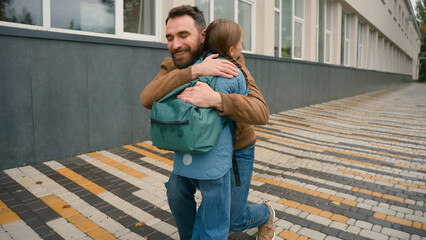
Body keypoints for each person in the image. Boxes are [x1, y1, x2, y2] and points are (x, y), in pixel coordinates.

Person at [140, 5, 274, 240]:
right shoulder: (174, 65)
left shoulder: (231, 60)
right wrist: (194, 71)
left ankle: (266, 213)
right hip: (193, 145)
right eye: (170, 38)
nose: (176, 44)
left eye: (183, 35)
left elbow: (261, 111)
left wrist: (217, 100)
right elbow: (147, 98)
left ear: (202, 36)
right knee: (175, 191)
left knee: (234, 218)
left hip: (235, 150)